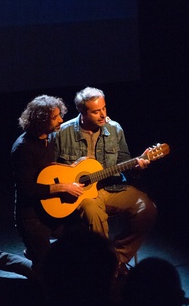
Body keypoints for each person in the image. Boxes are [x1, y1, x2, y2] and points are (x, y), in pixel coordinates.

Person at [54, 86, 157, 274]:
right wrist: (65, 185)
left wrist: (136, 166)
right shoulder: (63, 132)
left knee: (147, 208)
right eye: (96, 111)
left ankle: (115, 259)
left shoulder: (115, 129)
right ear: (83, 112)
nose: (103, 115)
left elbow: (124, 163)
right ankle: (103, 264)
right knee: (93, 211)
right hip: (81, 195)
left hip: (112, 188)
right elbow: (50, 167)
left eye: (104, 108)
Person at [0, 95, 84, 279]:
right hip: (31, 217)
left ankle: (36, 250)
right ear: (41, 120)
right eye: (55, 117)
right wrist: (63, 187)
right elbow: (28, 189)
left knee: (80, 233)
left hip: (52, 211)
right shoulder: (23, 148)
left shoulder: (52, 137)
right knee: (45, 275)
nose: (61, 119)